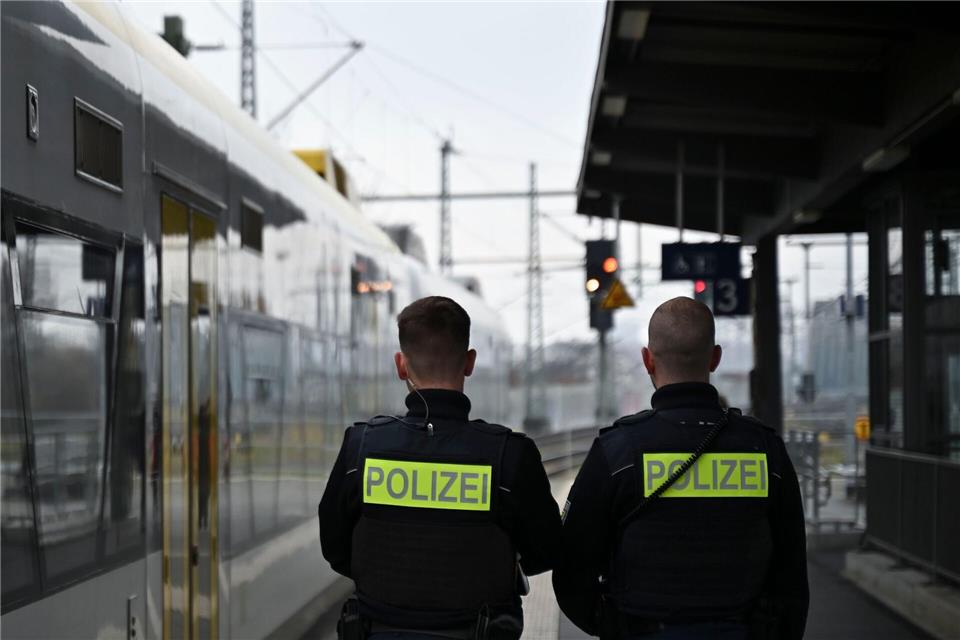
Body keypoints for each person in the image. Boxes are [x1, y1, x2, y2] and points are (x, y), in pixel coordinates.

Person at [553, 297, 808, 640]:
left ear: (648, 360)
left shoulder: (618, 451)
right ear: (715, 358)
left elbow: (571, 566)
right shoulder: (764, 449)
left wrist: (612, 626)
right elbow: (792, 574)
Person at [319, 296, 562, 639]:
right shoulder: (510, 455)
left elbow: (335, 547)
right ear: (470, 362)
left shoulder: (361, 448)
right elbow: (546, 550)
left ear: (401, 365)